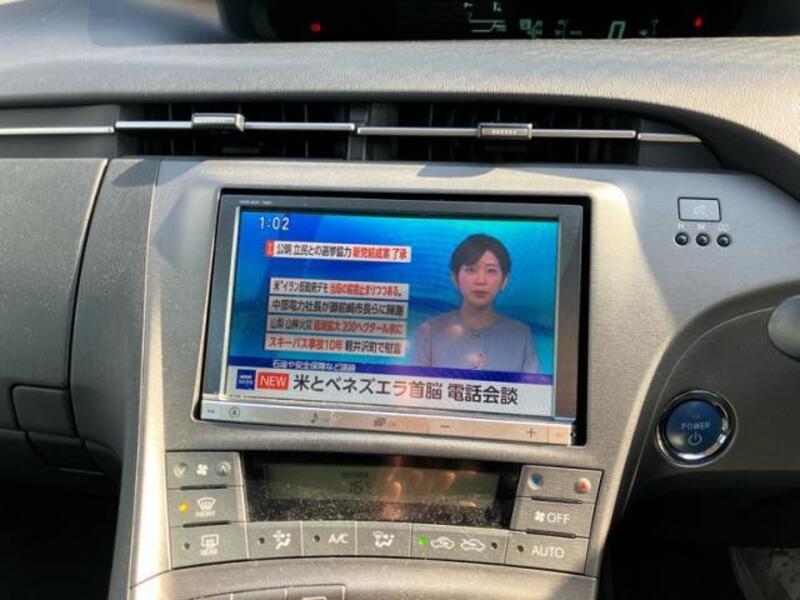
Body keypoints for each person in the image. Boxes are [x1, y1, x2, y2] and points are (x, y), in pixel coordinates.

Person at [413, 234, 539, 373]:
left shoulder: (521, 335)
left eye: (491, 271)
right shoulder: (430, 331)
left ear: (504, 281)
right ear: (455, 278)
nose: (481, 280)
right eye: (471, 270)